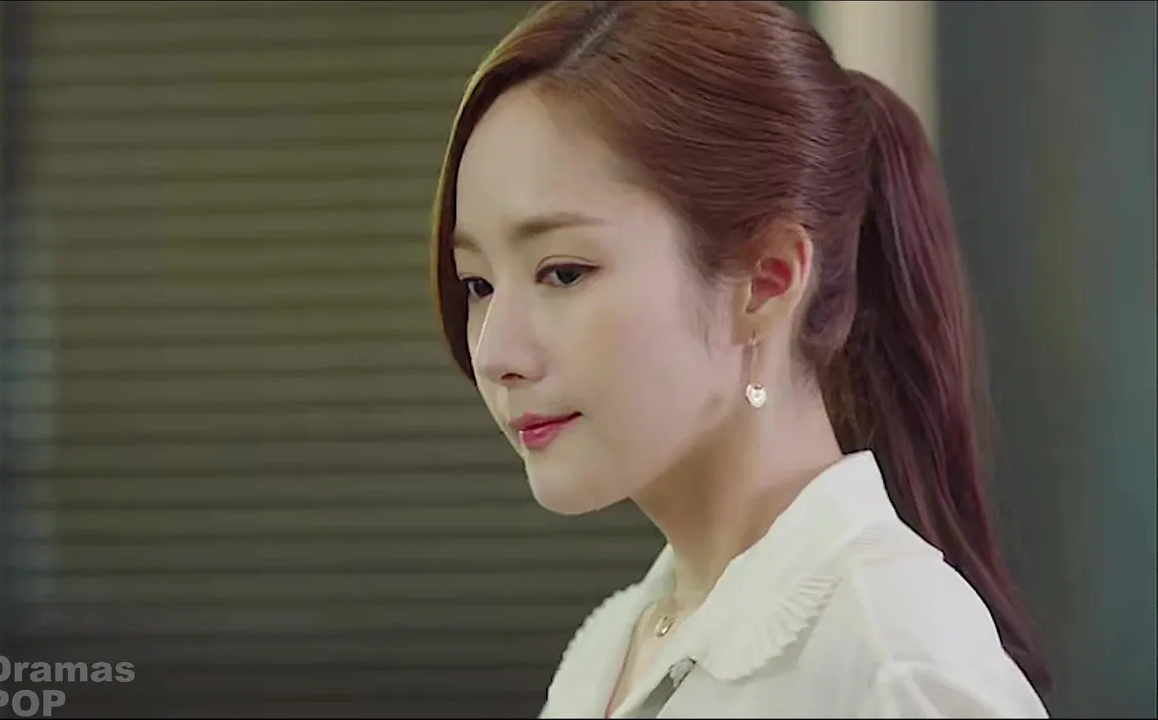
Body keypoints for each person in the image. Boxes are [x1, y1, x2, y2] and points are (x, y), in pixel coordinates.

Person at [428, 1, 1051, 717]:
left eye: (563, 272)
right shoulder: (611, 647)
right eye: (478, 284)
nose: (495, 353)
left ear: (767, 281)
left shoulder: (893, 660)